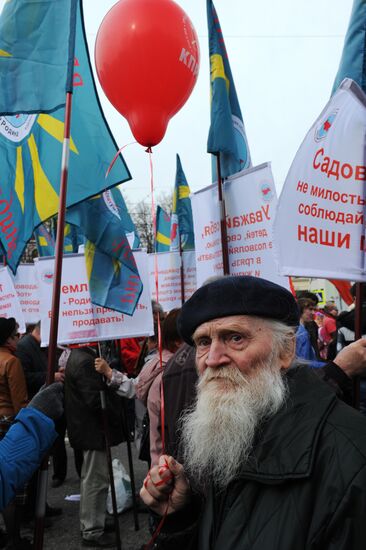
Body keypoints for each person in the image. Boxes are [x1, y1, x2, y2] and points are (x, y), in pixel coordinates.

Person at [141, 276, 366, 550]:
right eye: (202, 342)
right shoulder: (225, 435)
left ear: (285, 350)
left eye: (235, 338)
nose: (212, 359)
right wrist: (180, 518)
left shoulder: (352, 456)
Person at [64, 345, 124, 548]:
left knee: (95, 477)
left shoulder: (81, 356)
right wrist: (115, 409)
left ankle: (94, 521)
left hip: (88, 428)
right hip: (92, 430)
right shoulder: (84, 360)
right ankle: (91, 530)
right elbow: (94, 400)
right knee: (95, 480)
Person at [16, 322, 67, 488]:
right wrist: (50, 376)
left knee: (58, 437)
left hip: (54, 399)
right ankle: (53, 477)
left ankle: (59, 473)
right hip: (38, 403)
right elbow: (26, 377)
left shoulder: (46, 346)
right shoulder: (24, 347)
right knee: (47, 443)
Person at [136, 309, 183, 467]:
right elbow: (161, 432)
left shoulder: (164, 367)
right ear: (178, 341)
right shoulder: (171, 374)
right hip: (174, 467)